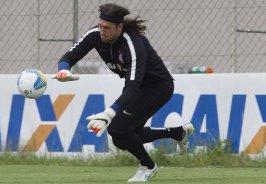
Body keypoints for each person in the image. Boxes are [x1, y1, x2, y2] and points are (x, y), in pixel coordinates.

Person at [53, 3, 194, 182]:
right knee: (122, 136)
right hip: (138, 88)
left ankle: (148, 166)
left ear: (119, 27)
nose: (101, 31)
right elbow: (68, 57)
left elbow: (133, 87)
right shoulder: (96, 35)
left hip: (157, 87)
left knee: (118, 129)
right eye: (100, 25)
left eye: (107, 28)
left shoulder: (133, 44)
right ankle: (178, 133)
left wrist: (107, 114)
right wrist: (64, 70)